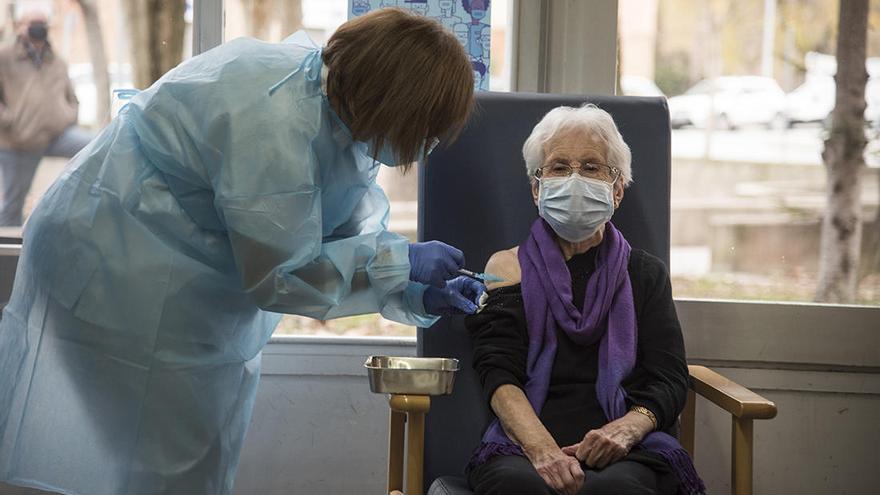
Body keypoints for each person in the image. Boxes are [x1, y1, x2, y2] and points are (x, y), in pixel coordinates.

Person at [0, 8, 482, 495]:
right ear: (389, 99)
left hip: (174, 277)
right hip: (115, 265)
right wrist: (403, 262)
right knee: (165, 466)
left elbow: (343, 237)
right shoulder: (273, 118)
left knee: (190, 459)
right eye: (425, 129)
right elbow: (285, 274)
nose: (426, 145)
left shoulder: (338, 113)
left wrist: (416, 292)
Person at [465, 104, 704, 495]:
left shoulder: (645, 274)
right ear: (536, 188)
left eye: (591, 167)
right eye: (559, 167)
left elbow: (669, 378)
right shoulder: (509, 268)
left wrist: (624, 431)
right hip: (524, 443)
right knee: (516, 487)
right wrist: (542, 450)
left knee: (616, 491)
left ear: (618, 189)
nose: (574, 179)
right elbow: (498, 372)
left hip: (624, 447)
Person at [0, 11, 93, 227]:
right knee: (13, 206)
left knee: (93, 146)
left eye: (43, 23)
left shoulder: (57, 61)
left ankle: (81, 211)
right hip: (18, 143)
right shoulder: (4, 58)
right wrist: (9, 120)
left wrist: (69, 114)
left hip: (56, 135)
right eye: (33, 23)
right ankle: (6, 252)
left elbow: (72, 97)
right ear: (19, 26)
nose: (38, 27)